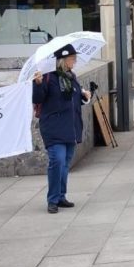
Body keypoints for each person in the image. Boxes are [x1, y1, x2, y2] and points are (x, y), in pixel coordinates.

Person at [32, 44, 90, 214]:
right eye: (72, 59)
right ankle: (52, 199)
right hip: (53, 126)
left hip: (70, 126)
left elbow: (76, 99)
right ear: (62, 60)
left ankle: (61, 196)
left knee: (65, 164)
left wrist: (85, 96)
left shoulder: (71, 77)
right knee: (57, 161)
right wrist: (37, 83)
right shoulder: (48, 77)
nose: (75, 61)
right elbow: (37, 98)